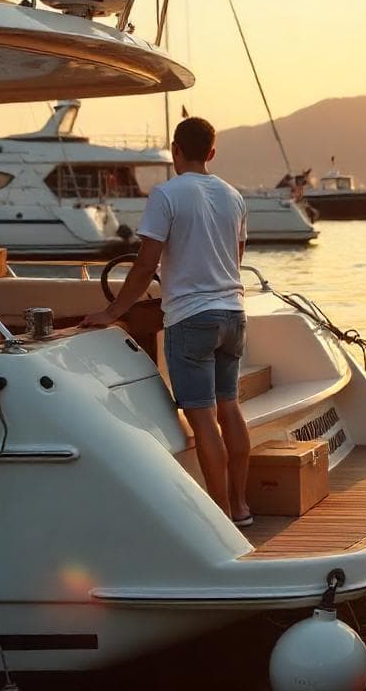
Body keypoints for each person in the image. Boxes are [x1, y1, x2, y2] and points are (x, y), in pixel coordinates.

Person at [81, 117, 253, 527]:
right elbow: (236, 258)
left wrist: (112, 313)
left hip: (191, 319)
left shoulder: (166, 194)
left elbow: (145, 266)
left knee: (203, 419)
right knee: (229, 408)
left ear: (175, 150)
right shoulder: (233, 196)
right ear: (212, 152)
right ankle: (242, 507)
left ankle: (221, 518)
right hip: (233, 313)